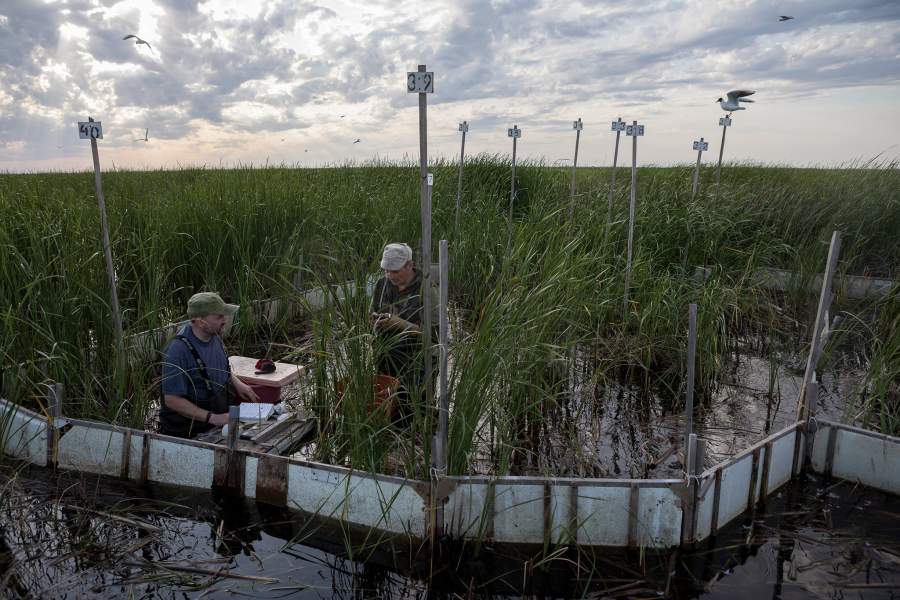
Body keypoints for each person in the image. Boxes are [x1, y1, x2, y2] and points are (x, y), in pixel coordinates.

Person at [160, 292, 258, 438]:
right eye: (219, 316)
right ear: (201, 322)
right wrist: (213, 418)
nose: (225, 320)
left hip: (218, 421)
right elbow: (172, 400)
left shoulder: (214, 336)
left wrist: (238, 384)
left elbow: (220, 369)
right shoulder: (177, 352)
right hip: (190, 431)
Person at [371, 243, 438, 422]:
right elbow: (372, 314)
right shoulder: (382, 284)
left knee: (416, 413)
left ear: (410, 265)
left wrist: (401, 324)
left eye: (395, 271)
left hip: (417, 362)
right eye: (386, 270)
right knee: (388, 411)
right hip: (387, 358)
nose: (389, 275)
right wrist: (376, 321)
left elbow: (434, 336)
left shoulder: (427, 289)